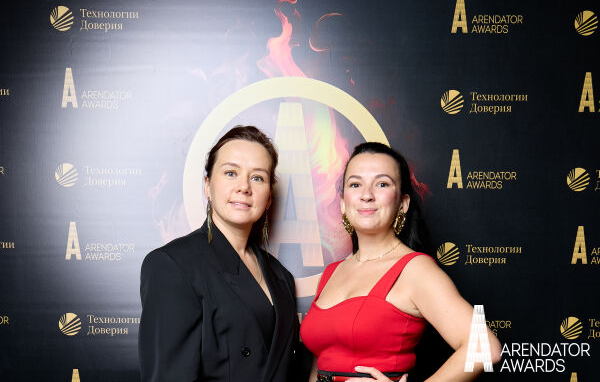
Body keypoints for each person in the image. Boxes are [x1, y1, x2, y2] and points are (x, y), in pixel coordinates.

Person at [300, 142, 501, 381]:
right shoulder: (331, 273)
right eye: (355, 184)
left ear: (403, 204)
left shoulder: (416, 270)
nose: (366, 195)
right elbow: (321, 363)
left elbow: (485, 347)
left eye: (382, 184)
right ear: (343, 203)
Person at [139, 125, 303, 382]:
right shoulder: (173, 265)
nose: (244, 187)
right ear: (207, 186)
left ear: (269, 198)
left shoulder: (281, 276)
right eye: (230, 173)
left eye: (257, 178)